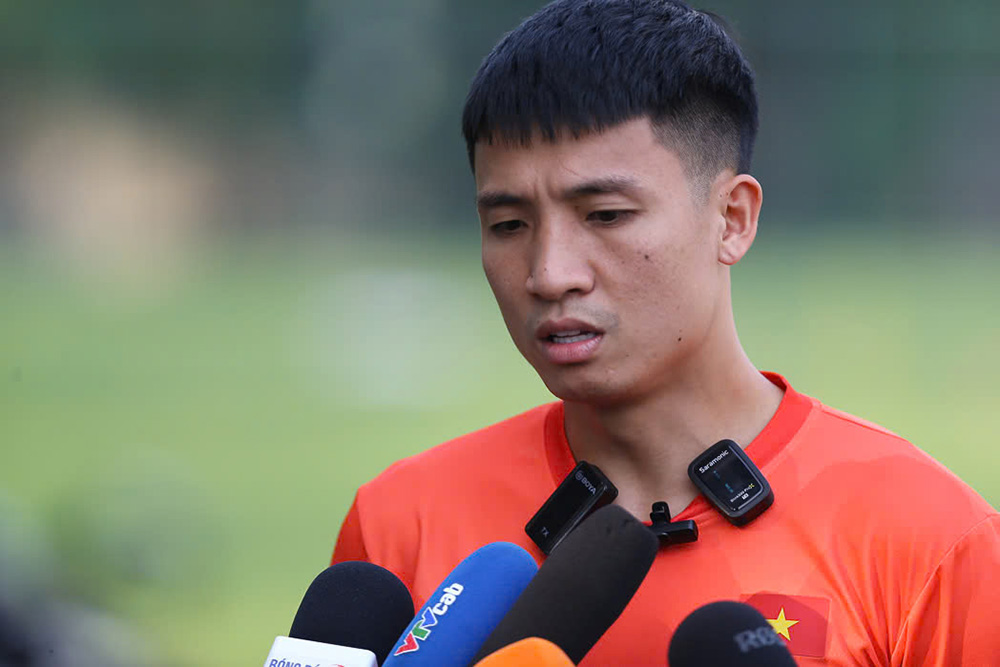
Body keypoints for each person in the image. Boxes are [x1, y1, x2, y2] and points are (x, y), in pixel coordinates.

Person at [332, 0, 1000, 663]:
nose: (549, 273)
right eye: (508, 225)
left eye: (606, 215)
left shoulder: (933, 540)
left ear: (732, 219)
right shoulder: (401, 523)